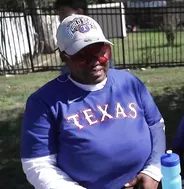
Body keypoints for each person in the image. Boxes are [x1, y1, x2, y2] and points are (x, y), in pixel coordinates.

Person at [20, 15, 165, 189]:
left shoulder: (130, 83)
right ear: (64, 58)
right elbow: (37, 164)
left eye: (100, 52)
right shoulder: (44, 102)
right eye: (82, 56)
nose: (94, 61)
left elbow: (156, 126)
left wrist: (153, 171)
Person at [54, 0, 115, 75]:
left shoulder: (96, 38)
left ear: (79, 12)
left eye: (63, 12)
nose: (59, 18)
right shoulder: (65, 37)